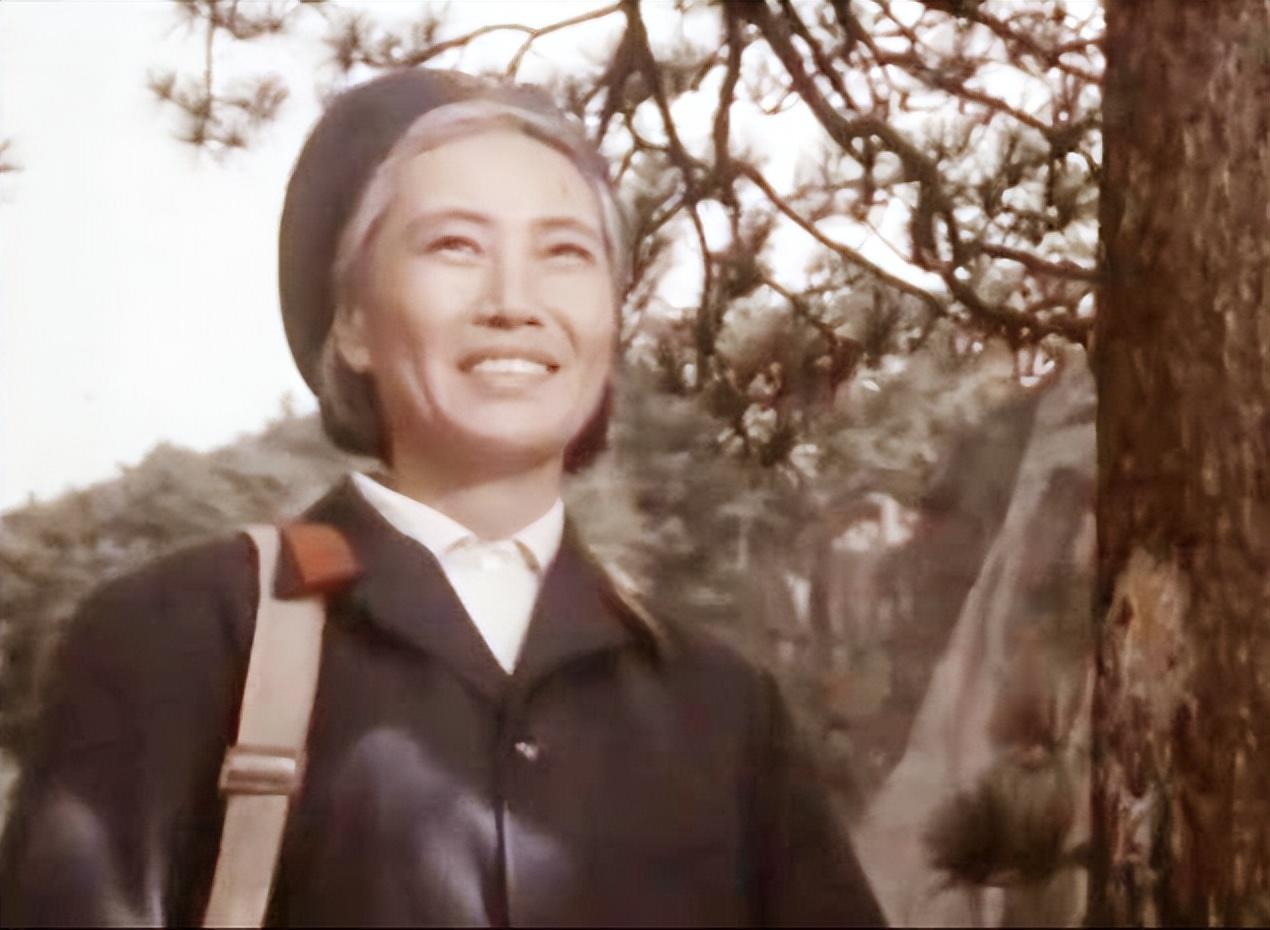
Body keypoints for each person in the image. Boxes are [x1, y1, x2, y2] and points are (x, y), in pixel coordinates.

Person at [0, 69, 884, 927]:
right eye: (455, 246)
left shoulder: (723, 709)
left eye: (565, 253)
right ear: (352, 322)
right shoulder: (181, 638)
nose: (514, 303)